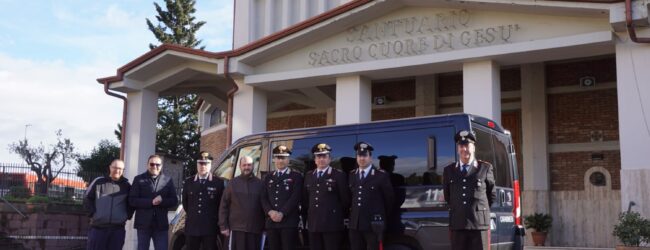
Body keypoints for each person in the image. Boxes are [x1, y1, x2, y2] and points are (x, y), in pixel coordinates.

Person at [443, 130, 496, 250]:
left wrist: (477, 211)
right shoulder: (449, 170)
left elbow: (491, 195)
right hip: (458, 223)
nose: (464, 149)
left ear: (473, 148)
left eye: (467, 145)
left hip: (479, 225)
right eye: (461, 146)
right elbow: (448, 196)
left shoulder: (485, 168)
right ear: (457, 149)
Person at [303, 143, 350, 250]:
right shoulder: (309, 175)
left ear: (329, 159)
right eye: (319, 157)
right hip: (313, 224)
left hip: (332, 224)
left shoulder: (339, 175)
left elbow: (345, 200)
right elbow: (305, 199)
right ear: (315, 160)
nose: (321, 159)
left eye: (324, 156)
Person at [348, 142, 395, 250]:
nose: (362, 158)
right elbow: (350, 198)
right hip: (355, 225)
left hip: (373, 224)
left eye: (365, 155)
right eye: (359, 155)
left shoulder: (381, 176)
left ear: (370, 158)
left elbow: (389, 200)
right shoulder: (352, 175)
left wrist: (380, 215)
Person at [129, 154, 178, 250]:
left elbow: (174, 200)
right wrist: (150, 202)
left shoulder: (168, 180)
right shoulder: (139, 179)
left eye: (157, 164)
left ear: (161, 166)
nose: (155, 166)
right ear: (147, 165)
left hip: (161, 225)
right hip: (143, 224)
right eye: (152, 164)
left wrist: (162, 201)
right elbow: (132, 200)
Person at [84, 159, 134, 250]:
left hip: (117, 230)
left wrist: (127, 216)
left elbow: (131, 203)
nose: (117, 170)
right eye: (115, 167)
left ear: (123, 170)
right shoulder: (98, 181)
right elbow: (87, 198)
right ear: (110, 167)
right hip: (98, 228)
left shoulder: (127, 186)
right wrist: (92, 214)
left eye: (120, 168)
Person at [219, 156, 266, 250]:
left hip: (255, 230)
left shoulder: (260, 184)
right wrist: (223, 226)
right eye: (244, 165)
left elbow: (265, 207)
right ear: (240, 166)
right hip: (235, 230)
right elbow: (223, 206)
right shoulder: (232, 183)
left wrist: (265, 228)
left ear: (253, 166)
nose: (246, 167)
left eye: (249, 165)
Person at [262, 145, 303, 250]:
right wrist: (270, 212)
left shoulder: (296, 176)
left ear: (288, 160)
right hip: (271, 222)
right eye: (278, 158)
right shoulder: (268, 177)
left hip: (288, 222)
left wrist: (282, 213)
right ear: (274, 160)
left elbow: (295, 197)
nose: (280, 161)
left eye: (283, 158)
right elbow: (263, 197)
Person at [182, 151, 225, 250]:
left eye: (206, 164)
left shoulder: (218, 183)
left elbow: (220, 205)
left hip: (210, 228)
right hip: (192, 227)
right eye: (201, 163)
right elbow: (185, 204)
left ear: (210, 165)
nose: (203, 166)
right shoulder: (189, 182)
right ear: (197, 164)